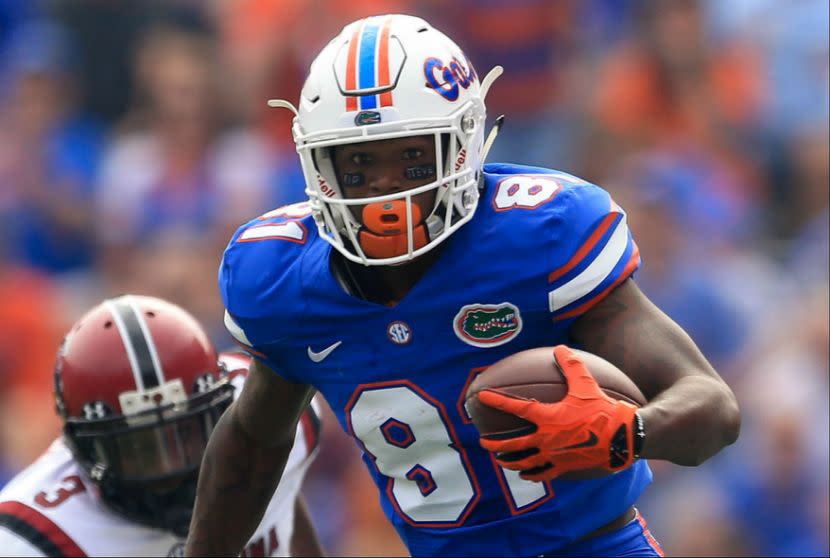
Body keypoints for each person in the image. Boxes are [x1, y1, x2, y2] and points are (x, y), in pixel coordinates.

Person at [186, 14, 740, 558]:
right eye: (358, 163)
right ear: (317, 164)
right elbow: (254, 444)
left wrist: (627, 433)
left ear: (462, 145)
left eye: (410, 157)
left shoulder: (539, 237)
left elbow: (713, 409)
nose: (384, 188)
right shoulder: (283, 279)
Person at [0, 295, 323, 557]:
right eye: (141, 449)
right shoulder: (35, 537)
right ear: (82, 448)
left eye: (186, 435)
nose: (173, 472)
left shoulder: (270, 408)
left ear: (223, 407)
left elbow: (283, 494)